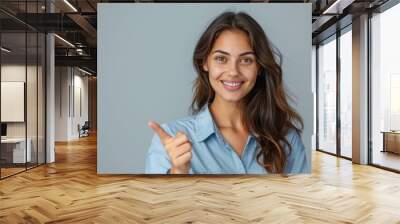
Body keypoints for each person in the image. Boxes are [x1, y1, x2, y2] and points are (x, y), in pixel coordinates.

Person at [145, 11, 309, 174]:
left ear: (259, 66)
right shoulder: (171, 139)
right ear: (205, 63)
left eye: (246, 60)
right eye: (221, 59)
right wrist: (177, 173)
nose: (233, 72)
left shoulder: (287, 139)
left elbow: (301, 200)